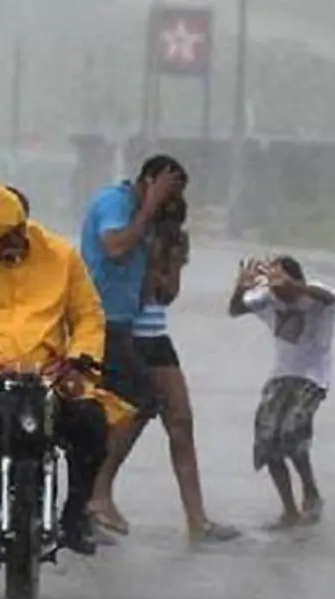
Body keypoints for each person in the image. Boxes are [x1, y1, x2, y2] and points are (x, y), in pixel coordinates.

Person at [0, 180, 132, 557]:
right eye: (0, 240)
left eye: (15, 234)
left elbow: (87, 314)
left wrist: (83, 360)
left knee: (91, 427)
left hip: (51, 372)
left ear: (24, 224)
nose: (11, 244)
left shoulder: (61, 255)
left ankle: (75, 516)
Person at [80, 154, 237, 543]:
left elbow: (160, 294)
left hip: (148, 329)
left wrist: (172, 260)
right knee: (134, 406)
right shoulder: (120, 208)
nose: (170, 204)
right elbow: (115, 249)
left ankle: (197, 520)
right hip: (113, 328)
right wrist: (149, 214)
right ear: (149, 182)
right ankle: (95, 496)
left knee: (180, 421)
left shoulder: (151, 225)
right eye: (167, 192)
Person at [229, 255, 335, 529]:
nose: (275, 289)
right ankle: (289, 510)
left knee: (291, 432)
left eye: (281, 281)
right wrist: (241, 288)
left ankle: (311, 492)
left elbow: (329, 297)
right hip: (281, 376)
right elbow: (235, 310)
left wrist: (296, 286)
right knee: (267, 440)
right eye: (272, 281)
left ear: (296, 279)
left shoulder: (316, 296)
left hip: (312, 377)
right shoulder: (269, 297)